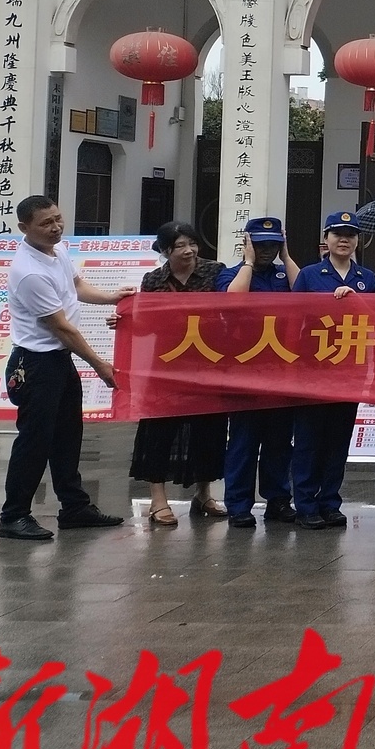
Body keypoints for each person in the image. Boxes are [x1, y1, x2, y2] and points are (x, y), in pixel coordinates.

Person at [0, 195, 134, 540]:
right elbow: (62, 327)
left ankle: (74, 507)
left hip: (59, 360)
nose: (56, 227)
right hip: (36, 364)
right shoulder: (28, 272)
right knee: (35, 441)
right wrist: (100, 364)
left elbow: (76, 286)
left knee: (68, 437)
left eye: (58, 219)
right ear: (24, 228)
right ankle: (13, 516)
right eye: (46, 223)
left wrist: (112, 296)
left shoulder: (57, 251)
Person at [128, 221, 227, 527]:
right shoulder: (153, 280)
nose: (189, 251)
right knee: (159, 431)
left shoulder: (214, 271)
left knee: (207, 430)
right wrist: (124, 320)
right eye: (180, 245)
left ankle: (203, 494)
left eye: (192, 244)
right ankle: (158, 499)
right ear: (165, 250)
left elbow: (231, 309)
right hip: (166, 365)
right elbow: (146, 323)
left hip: (206, 362)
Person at [289, 210, 375, 530]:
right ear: (325, 239)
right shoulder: (310, 275)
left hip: (349, 369)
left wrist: (355, 300)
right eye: (338, 234)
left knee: (338, 440)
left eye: (351, 234)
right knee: (308, 440)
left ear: (357, 241)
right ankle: (305, 504)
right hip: (313, 369)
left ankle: (330, 501)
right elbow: (293, 320)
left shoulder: (366, 277)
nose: (344, 240)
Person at [219, 216, 302, 529]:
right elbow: (233, 300)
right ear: (248, 243)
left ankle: (278, 500)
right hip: (245, 371)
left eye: (273, 244)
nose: (268, 250)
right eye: (261, 244)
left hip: (282, 369)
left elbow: (305, 294)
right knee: (243, 443)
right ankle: (239, 505)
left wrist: (287, 255)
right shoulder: (231, 273)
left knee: (279, 442)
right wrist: (249, 262)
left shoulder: (284, 273)